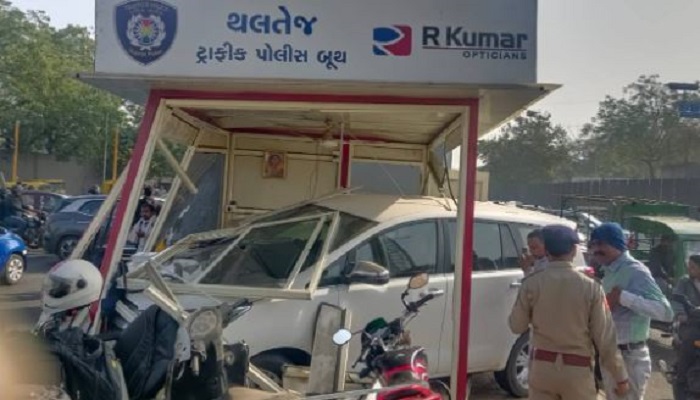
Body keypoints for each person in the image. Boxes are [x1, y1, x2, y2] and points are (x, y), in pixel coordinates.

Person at [509, 224, 629, 399]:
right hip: (577, 371)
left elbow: (516, 326)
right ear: (574, 250)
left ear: (546, 251)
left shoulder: (531, 283)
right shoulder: (591, 287)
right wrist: (620, 377)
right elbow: (605, 339)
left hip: (542, 370)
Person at [589, 222, 674, 400]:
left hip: (630, 356)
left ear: (616, 244)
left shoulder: (635, 271)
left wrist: (624, 298)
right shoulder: (609, 271)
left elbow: (665, 312)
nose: (596, 249)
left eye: (601, 244)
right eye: (594, 244)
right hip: (611, 355)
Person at [671, 254, 700, 388]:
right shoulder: (684, 281)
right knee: (689, 340)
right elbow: (676, 299)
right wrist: (681, 314)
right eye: (689, 266)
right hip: (690, 322)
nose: (689, 269)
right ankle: (681, 377)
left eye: (693, 267)